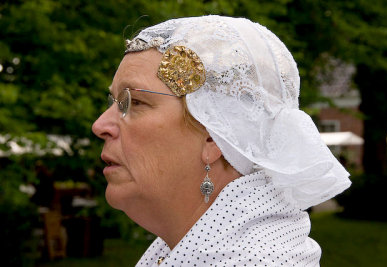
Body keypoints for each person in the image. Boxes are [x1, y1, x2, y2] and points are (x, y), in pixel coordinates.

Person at [92, 15, 351, 266]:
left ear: (213, 136)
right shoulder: (196, 245)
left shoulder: (251, 261)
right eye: (113, 102)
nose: (100, 125)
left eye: (135, 102)